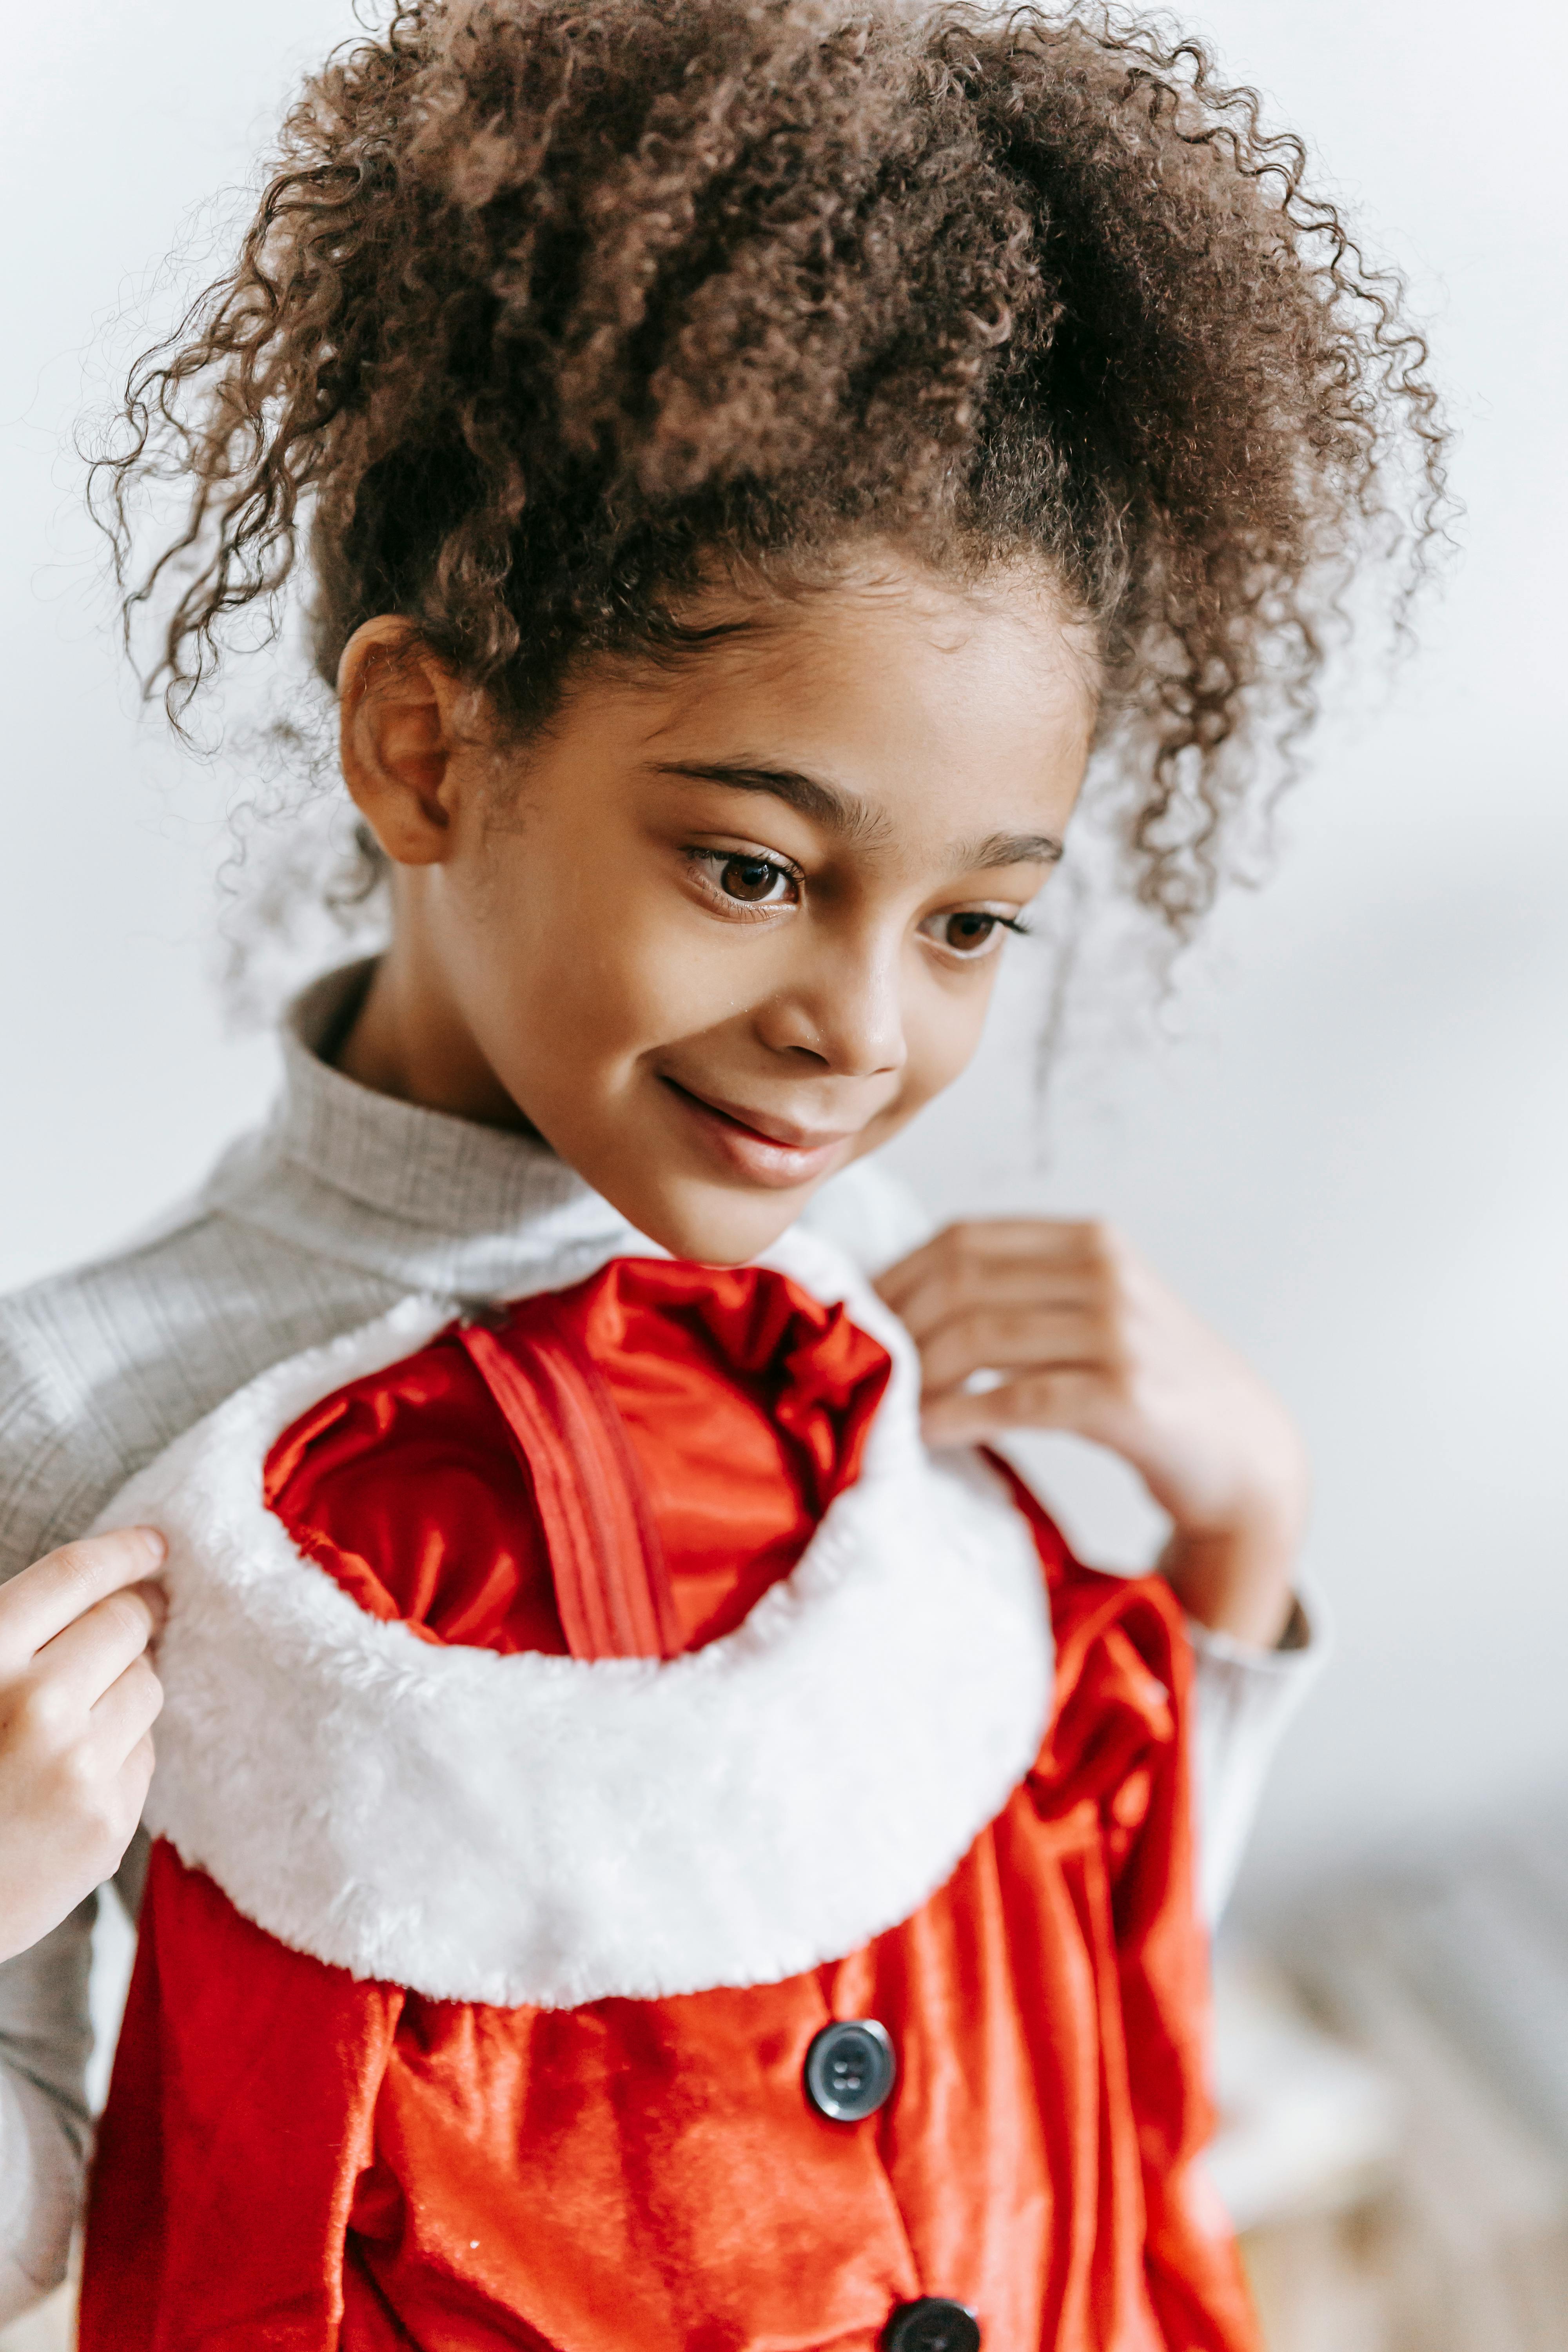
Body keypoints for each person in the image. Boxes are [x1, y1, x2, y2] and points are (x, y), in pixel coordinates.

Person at [0, 0, 1445, 2342]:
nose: (865, 1031)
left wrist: (1233, 1551)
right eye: (759, 868)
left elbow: (1062, 2010)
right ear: (424, 742)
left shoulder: (871, 1302)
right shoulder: (90, 1419)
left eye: (974, 921)